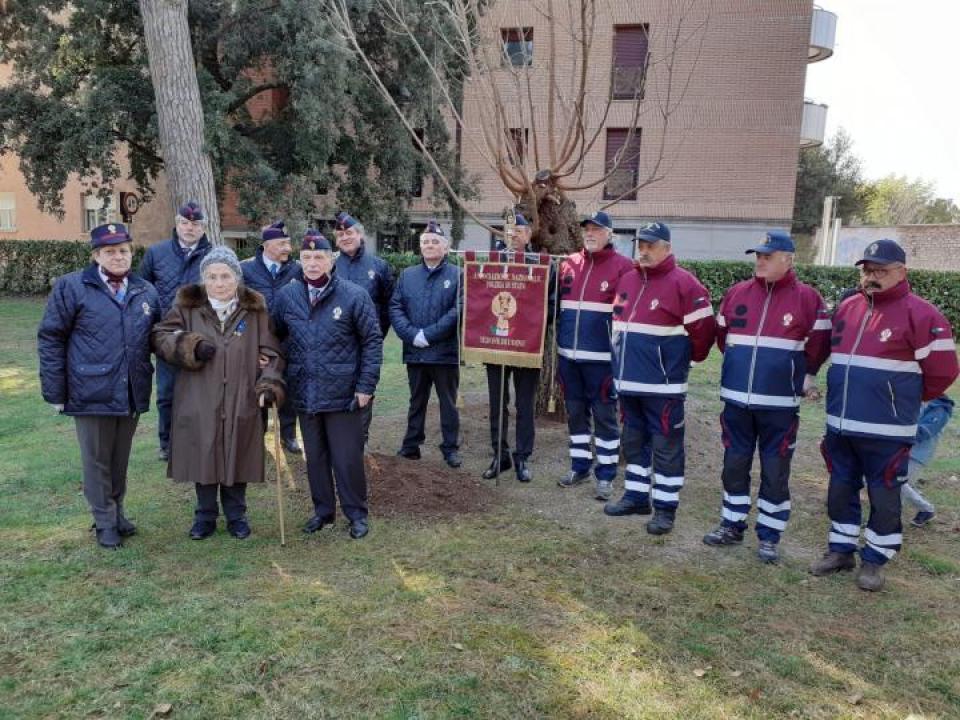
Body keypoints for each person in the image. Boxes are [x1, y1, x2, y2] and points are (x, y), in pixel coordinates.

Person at [811, 239, 958, 591]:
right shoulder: (847, 308)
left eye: (880, 270)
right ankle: (841, 550)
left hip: (888, 430)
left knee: (884, 495)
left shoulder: (923, 315)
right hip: (841, 425)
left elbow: (942, 373)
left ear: (901, 272)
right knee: (840, 490)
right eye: (867, 270)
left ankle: (875, 560)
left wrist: (901, 401)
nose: (871, 277)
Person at [701, 231, 831, 562]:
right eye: (757, 255)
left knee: (775, 472)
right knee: (734, 465)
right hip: (736, 401)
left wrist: (800, 376)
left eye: (768, 256)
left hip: (779, 406)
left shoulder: (808, 299)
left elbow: (818, 347)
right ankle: (731, 525)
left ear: (788, 259)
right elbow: (722, 337)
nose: (760, 261)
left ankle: (769, 536)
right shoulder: (736, 293)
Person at [38, 223, 161, 549]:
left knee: (119, 458)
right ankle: (104, 521)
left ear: (131, 252)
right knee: (96, 460)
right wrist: (55, 392)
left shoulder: (145, 291)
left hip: (131, 390)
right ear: (96, 255)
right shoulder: (72, 287)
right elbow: (51, 338)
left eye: (123, 250)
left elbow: (158, 337)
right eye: (110, 252)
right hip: (90, 389)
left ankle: (117, 512)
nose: (118, 257)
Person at [152, 246, 285, 541]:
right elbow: (161, 337)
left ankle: (237, 515)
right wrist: (191, 346)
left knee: (238, 451)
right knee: (205, 451)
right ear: (203, 279)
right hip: (200, 395)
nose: (219, 283)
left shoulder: (254, 310)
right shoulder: (187, 307)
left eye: (225, 276)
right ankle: (205, 516)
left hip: (242, 395)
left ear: (237, 278)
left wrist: (269, 384)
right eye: (212, 276)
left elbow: (272, 353)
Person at [602, 221, 716, 535]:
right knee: (634, 442)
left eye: (651, 245)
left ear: (667, 248)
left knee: (666, 448)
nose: (645, 251)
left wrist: (677, 362)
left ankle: (665, 509)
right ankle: (637, 496)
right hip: (628, 384)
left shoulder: (686, 285)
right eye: (641, 245)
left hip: (663, 387)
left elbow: (704, 336)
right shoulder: (627, 279)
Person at [272, 230, 383, 539]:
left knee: (347, 459)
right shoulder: (287, 296)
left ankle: (356, 514)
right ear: (299, 260)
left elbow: (372, 342)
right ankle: (323, 511)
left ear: (331, 260)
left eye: (318, 257)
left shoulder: (353, 295)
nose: (312, 263)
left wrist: (366, 386)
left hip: (344, 393)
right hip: (305, 391)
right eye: (306, 258)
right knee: (315, 458)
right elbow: (275, 335)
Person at [555, 210, 634, 500]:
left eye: (597, 229)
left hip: (602, 360)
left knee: (604, 418)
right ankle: (579, 466)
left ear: (609, 234)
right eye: (587, 229)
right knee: (575, 415)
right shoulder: (568, 265)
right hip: (568, 357)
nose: (590, 233)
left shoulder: (625, 268)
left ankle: (606, 475)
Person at [139, 201, 212, 461]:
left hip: (201, 336)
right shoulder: (156, 253)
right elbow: (143, 291)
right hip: (167, 336)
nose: (189, 228)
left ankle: (200, 439)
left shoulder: (213, 255)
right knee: (167, 393)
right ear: (177, 223)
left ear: (203, 228)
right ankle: (167, 442)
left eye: (195, 224)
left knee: (202, 393)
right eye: (185, 222)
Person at [389, 219, 463, 468]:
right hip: (415, 352)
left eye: (435, 242)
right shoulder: (408, 275)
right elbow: (395, 307)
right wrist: (412, 335)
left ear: (445, 247)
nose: (429, 246)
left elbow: (458, 310)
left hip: (445, 353)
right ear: (419, 247)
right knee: (416, 401)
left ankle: (450, 448)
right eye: (425, 242)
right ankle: (411, 446)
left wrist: (428, 335)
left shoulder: (458, 275)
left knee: (448, 403)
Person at [482, 213, 546, 482]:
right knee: (498, 403)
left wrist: (534, 327)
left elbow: (549, 301)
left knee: (524, 404)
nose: (514, 235)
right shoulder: (490, 262)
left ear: (529, 234)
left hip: (526, 345)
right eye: (509, 230)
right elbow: (479, 297)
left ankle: (522, 457)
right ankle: (500, 455)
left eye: (519, 230)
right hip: (497, 342)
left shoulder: (540, 264)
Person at [241, 220, 303, 453]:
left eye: (288, 243)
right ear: (266, 245)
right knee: (259, 389)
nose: (288, 248)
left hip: (289, 341)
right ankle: (257, 437)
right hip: (258, 344)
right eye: (282, 243)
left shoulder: (297, 269)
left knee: (288, 389)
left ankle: (289, 435)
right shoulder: (245, 270)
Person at [332, 211, 394, 445]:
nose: (345, 237)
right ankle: (338, 437)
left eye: (349, 232)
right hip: (336, 342)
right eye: (340, 234)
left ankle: (361, 439)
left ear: (360, 234)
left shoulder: (379, 267)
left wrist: (377, 335)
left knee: (365, 388)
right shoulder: (329, 265)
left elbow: (389, 305)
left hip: (367, 342)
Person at [902, 395, 954, 527]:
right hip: (902, 450)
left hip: (918, 454)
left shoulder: (940, 408)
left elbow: (923, 432)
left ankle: (926, 509)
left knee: (898, 485)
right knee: (897, 484)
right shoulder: (916, 400)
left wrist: (898, 433)